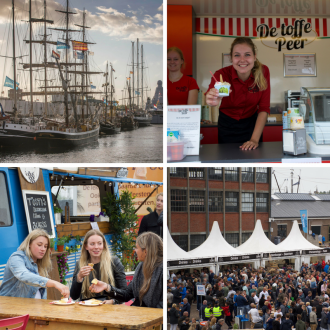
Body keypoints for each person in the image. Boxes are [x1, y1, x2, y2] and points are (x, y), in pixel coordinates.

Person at [205, 37, 270, 149]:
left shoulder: (263, 71)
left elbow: (263, 108)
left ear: (254, 56)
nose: (242, 59)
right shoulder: (221, 75)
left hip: (253, 126)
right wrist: (211, 100)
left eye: (247, 54)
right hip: (227, 126)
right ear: (231, 58)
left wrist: (254, 139)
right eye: (237, 55)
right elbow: (211, 98)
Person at [90, 232, 163, 308]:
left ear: (145, 251)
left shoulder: (162, 269)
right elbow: (127, 294)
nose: (135, 250)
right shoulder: (140, 266)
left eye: (137, 248)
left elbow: (161, 307)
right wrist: (107, 287)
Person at [0, 229, 69, 299]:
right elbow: (23, 275)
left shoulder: (40, 263)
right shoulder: (17, 257)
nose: (43, 249)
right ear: (29, 244)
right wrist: (54, 283)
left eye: (45, 246)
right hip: (12, 307)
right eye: (39, 245)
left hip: (35, 307)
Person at [70, 229, 126, 302]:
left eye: (99, 243)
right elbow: (74, 296)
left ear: (104, 245)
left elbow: (124, 294)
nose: (96, 247)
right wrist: (79, 278)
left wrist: (113, 302)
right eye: (92, 244)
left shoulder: (114, 262)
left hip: (109, 309)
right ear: (86, 246)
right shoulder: (80, 264)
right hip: (87, 309)